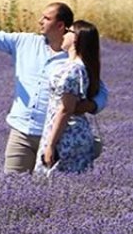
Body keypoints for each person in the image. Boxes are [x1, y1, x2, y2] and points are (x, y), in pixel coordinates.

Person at [0, 0, 108, 173]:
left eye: (46, 18)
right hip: (21, 132)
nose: (40, 21)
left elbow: (101, 90)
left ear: (60, 25)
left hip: (55, 136)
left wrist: (90, 105)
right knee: (12, 187)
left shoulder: (73, 59)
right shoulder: (25, 42)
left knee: (51, 192)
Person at [39, 20, 102, 173]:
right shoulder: (80, 66)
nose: (64, 34)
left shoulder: (72, 70)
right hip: (75, 135)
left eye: (68, 31)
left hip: (65, 137)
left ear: (75, 38)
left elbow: (65, 109)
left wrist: (51, 145)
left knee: (53, 186)